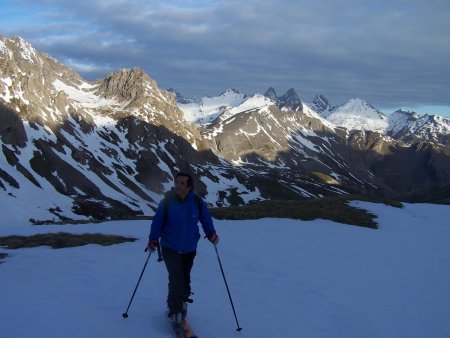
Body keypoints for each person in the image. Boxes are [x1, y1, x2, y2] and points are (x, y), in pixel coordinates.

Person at [147, 172, 219, 325]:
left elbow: (206, 220)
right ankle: (174, 309)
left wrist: (211, 234)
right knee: (176, 277)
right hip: (169, 247)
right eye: (176, 182)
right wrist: (153, 239)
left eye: (182, 183)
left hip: (189, 248)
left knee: (185, 277)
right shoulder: (167, 202)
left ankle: (183, 301)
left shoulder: (197, 202)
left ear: (189, 186)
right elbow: (157, 222)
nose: (178, 185)